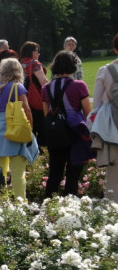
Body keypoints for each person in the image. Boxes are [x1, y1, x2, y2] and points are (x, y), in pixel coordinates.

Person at [0, 58, 39, 199]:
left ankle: (2, 202)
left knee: (1, 172)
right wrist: (29, 129)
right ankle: (20, 203)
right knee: (18, 173)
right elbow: (26, 109)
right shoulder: (17, 87)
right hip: (16, 130)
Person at [41, 51, 92, 198]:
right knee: (73, 172)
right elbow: (88, 112)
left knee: (55, 173)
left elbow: (46, 114)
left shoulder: (46, 87)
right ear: (73, 65)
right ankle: (71, 205)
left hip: (55, 133)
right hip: (75, 131)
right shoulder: (79, 85)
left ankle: (48, 205)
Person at [91, 33, 118, 202]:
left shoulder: (106, 70)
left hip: (113, 127)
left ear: (115, 49)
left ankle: (114, 211)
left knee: (114, 170)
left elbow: (97, 105)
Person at [20, 41, 49, 147]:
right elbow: (44, 82)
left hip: (22, 98)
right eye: (38, 51)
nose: (39, 53)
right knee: (42, 126)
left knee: (29, 126)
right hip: (36, 99)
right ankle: (41, 152)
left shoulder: (19, 63)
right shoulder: (35, 63)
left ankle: (30, 151)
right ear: (32, 52)